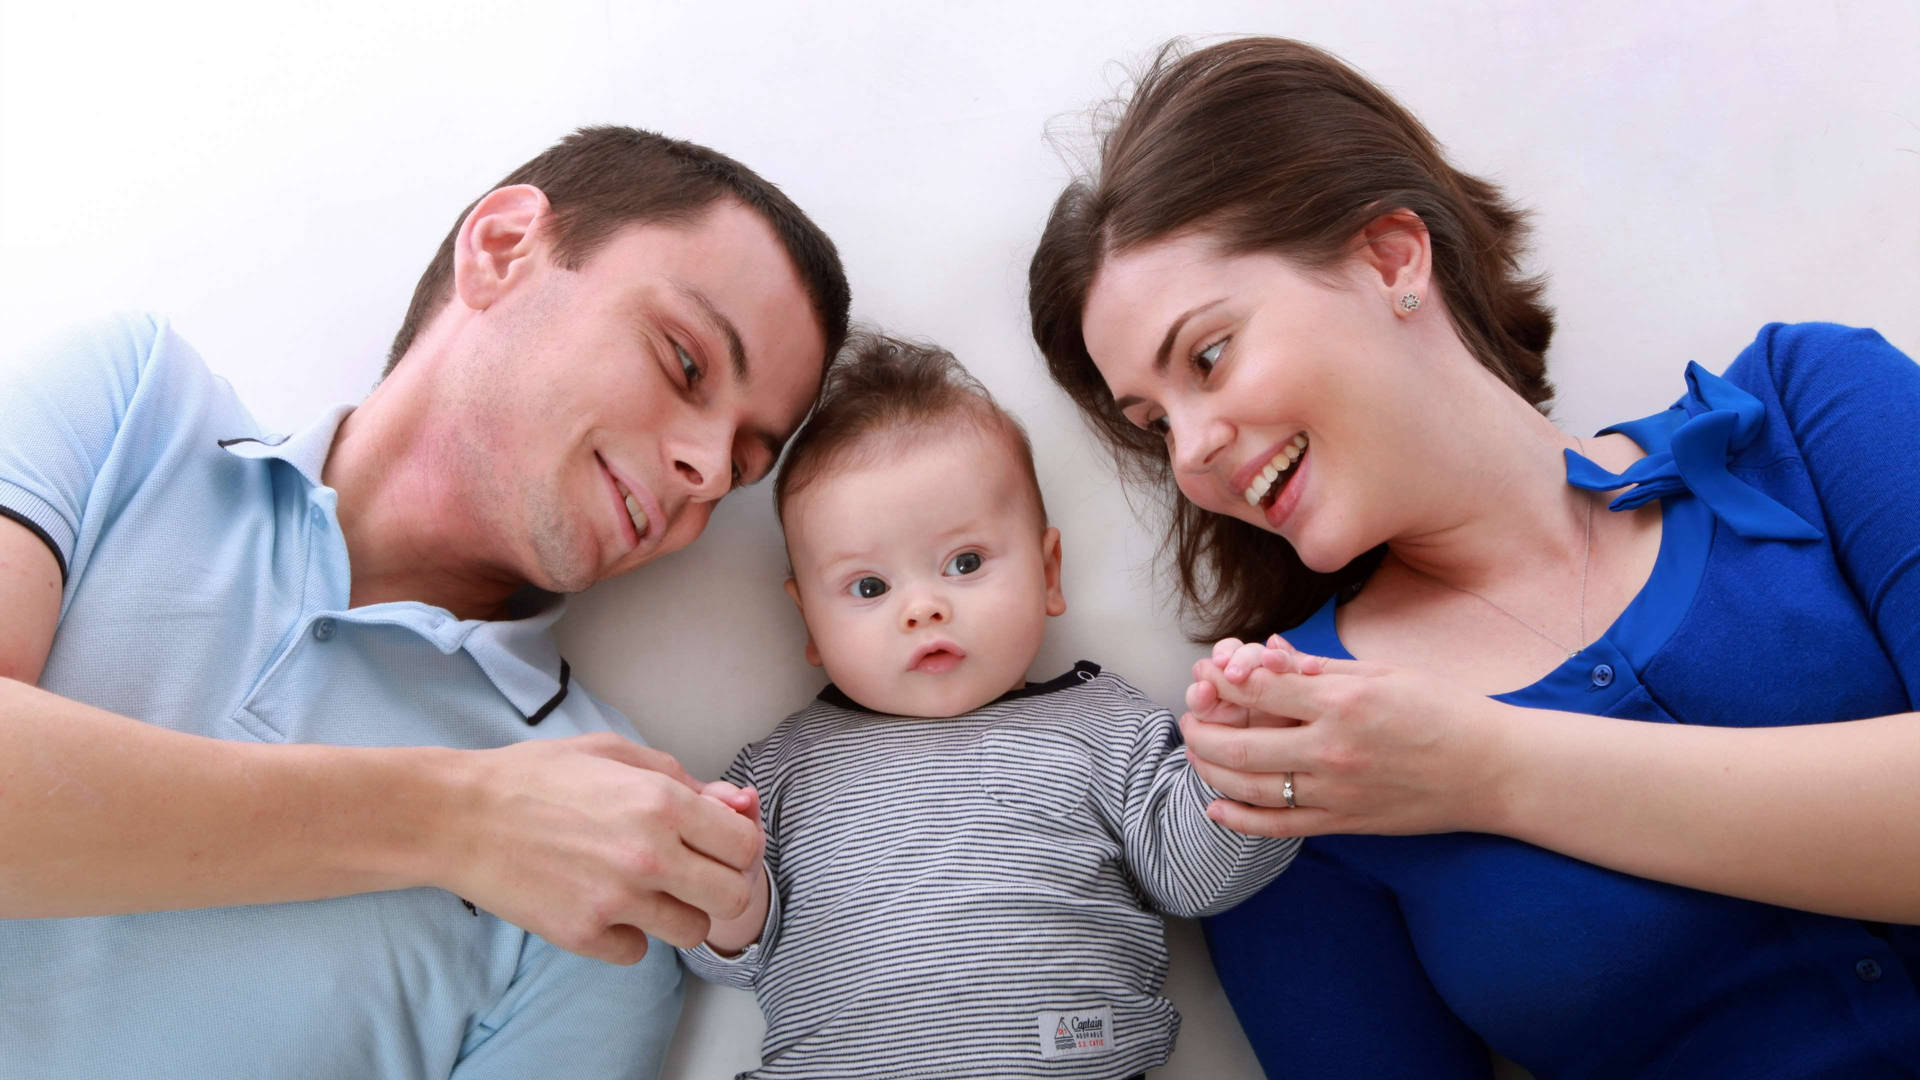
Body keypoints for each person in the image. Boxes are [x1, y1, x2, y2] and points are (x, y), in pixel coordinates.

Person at [1027, 36, 1920, 1079]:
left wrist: (1486, 771)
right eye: (1154, 422)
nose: (1192, 453)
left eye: (1208, 357)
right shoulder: (1293, 743)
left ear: (1392, 257)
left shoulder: (1812, 408)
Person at [0, 126, 850, 1078]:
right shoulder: (129, 407)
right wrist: (464, 822)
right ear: (501, 249)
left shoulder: (610, 853)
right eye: (685, 362)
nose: (702, 471)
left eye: (739, 467)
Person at [674, 333, 1300, 1079]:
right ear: (809, 621)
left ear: (1047, 572)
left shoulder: (1107, 726)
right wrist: (731, 895)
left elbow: (1192, 880)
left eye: (965, 563)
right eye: (870, 588)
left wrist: (1244, 763)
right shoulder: (778, 770)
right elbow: (730, 965)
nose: (923, 608)